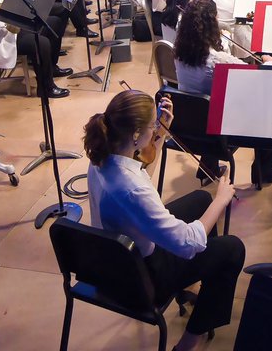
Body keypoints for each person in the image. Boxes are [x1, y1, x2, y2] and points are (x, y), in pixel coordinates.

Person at [85, 89, 243, 351]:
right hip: (142, 278)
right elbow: (187, 242)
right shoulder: (131, 187)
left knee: (199, 200)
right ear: (136, 134)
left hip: (113, 258)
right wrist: (221, 200)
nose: (154, 130)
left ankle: (194, 281)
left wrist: (160, 134)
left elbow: (140, 171)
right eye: (150, 126)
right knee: (233, 248)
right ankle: (191, 339)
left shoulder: (102, 158)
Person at [172, 0, 272, 183]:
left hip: (186, 126)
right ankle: (265, 173)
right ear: (211, 23)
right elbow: (258, 76)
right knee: (265, 111)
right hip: (215, 132)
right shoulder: (217, 59)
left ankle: (208, 170)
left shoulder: (178, 52)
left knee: (205, 105)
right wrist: (270, 62)